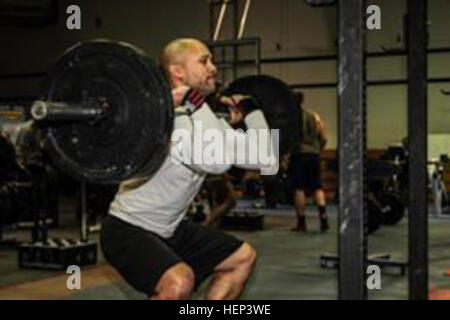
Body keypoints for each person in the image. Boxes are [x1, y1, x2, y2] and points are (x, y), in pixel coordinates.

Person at [100, 38, 278, 300]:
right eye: (204, 61)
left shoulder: (203, 117)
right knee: (179, 282)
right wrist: (193, 102)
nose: (214, 68)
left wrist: (251, 109)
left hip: (169, 229)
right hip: (128, 229)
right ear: (177, 71)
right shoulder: (164, 117)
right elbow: (213, 161)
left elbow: (267, 160)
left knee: (241, 259)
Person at [288, 92, 329, 232]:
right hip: (314, 154)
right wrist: (318, 149)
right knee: (317, 186)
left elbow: (285, 140)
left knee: (299, 188)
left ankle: (301, 222)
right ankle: (323, 217)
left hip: (298, 155)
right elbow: (323, 137)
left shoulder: (290, 119)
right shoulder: (314, 116)